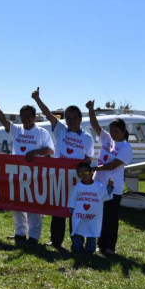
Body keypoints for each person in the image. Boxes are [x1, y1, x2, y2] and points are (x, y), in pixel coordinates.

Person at [31, 87, 94, 248]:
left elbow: (88, 159)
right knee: (58, 211)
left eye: (74, 117)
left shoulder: (87, 138)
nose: (71, 120)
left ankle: (76, 242)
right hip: (59, 177)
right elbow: (47, 114)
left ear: (80, 119)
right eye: (68, 118)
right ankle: (56, 240)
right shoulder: (60, 130)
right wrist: (37, 99)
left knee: (76, 211)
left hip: (76, 180)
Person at [0, 96, 54, 245]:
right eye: (22, 116)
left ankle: (34, 237)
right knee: (17, 205)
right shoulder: (17, 130)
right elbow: (4, 121)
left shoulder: (42, 133)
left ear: (34, 117)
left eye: (28, 116)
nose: (25, 119)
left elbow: (50, 150)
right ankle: (19, 233)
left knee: (33, 206)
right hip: (16, 174)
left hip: (34, 175)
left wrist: (35, 153)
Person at [86, 101, 133, 256]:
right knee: (99, 215)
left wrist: (92, 168)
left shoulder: (126, 147)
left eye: (116, 131)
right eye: (111, 131)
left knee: (111, 219)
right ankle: (100, 243)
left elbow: (112, 165)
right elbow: (94, 125)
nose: (113, 134)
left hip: (113, 188)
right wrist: (91, 109)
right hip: (98, 183)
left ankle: (110, 247)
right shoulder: (107, 139)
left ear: (123, 131)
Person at [68, 162, 114, 254]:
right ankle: (77, 247)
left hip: (93, 217)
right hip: (79, 216)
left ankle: (90, 249)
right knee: (78, 231)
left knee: (92, 232)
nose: (84, 175)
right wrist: (71, 209)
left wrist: (110, 187)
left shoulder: (98, 186)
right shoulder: (78, 187)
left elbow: (105, 195)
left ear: (91, 172)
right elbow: (72, 199)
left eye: (86, 172)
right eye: (80, 173)